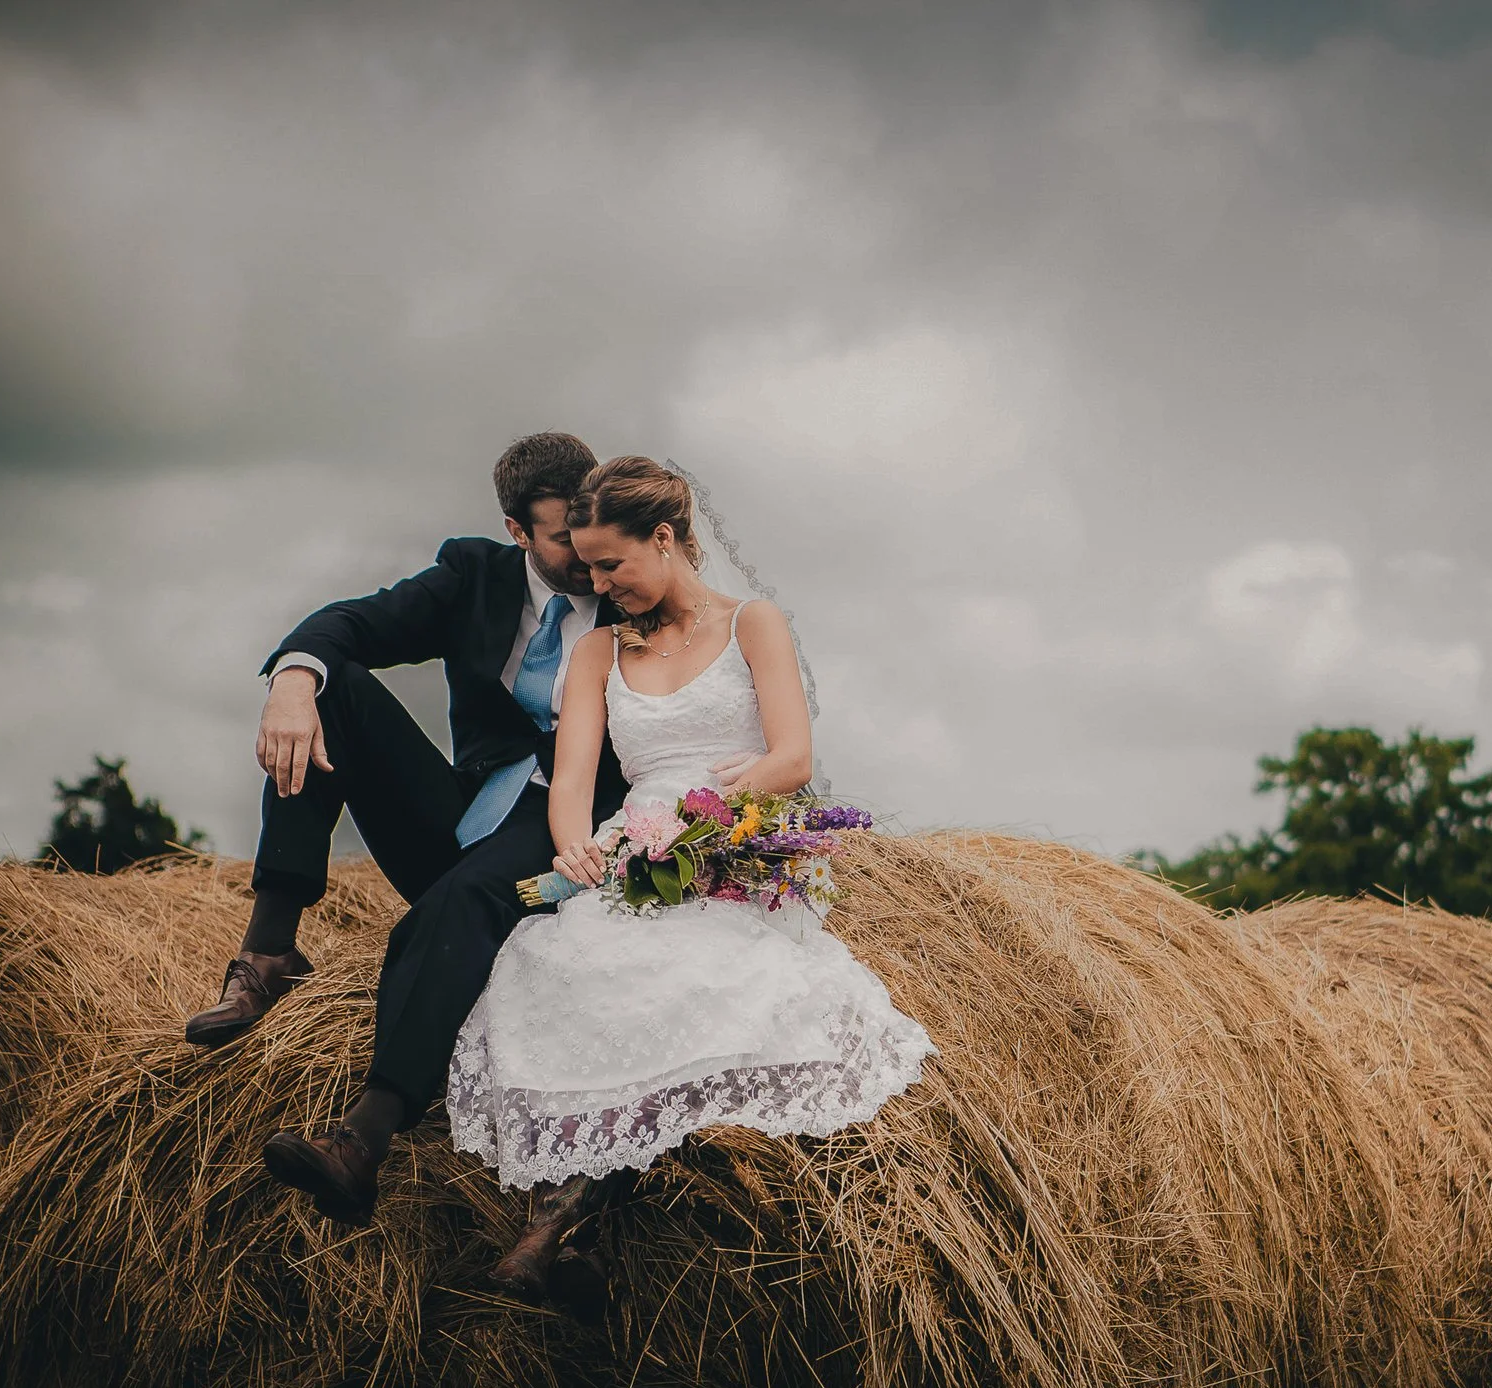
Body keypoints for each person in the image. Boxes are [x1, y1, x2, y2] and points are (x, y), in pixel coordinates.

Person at [446, 456, 934, 1314]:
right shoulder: (596, 650)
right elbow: (572, 778)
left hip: (734, 843)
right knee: (559, 970)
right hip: (631, 847)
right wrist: (574, 850)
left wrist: (702, 822)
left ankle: (557, 1226)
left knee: (702, 976)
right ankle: (571, 1221)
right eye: (588, 566)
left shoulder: (755, 624)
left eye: (612, 564)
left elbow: (791, 757)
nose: (597, 583)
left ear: (665, 538)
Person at [186, 432, 629, 1226]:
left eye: (590, 525)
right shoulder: (474, 576)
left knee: (452, 907)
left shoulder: (629, 581)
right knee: (331, 692)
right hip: (469, 813)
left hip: (572, 831)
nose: (585, 551)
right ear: (516, 530)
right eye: (563, 534)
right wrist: (292, 677)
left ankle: (363, 1139)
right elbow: (353, 621)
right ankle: (268, 952)